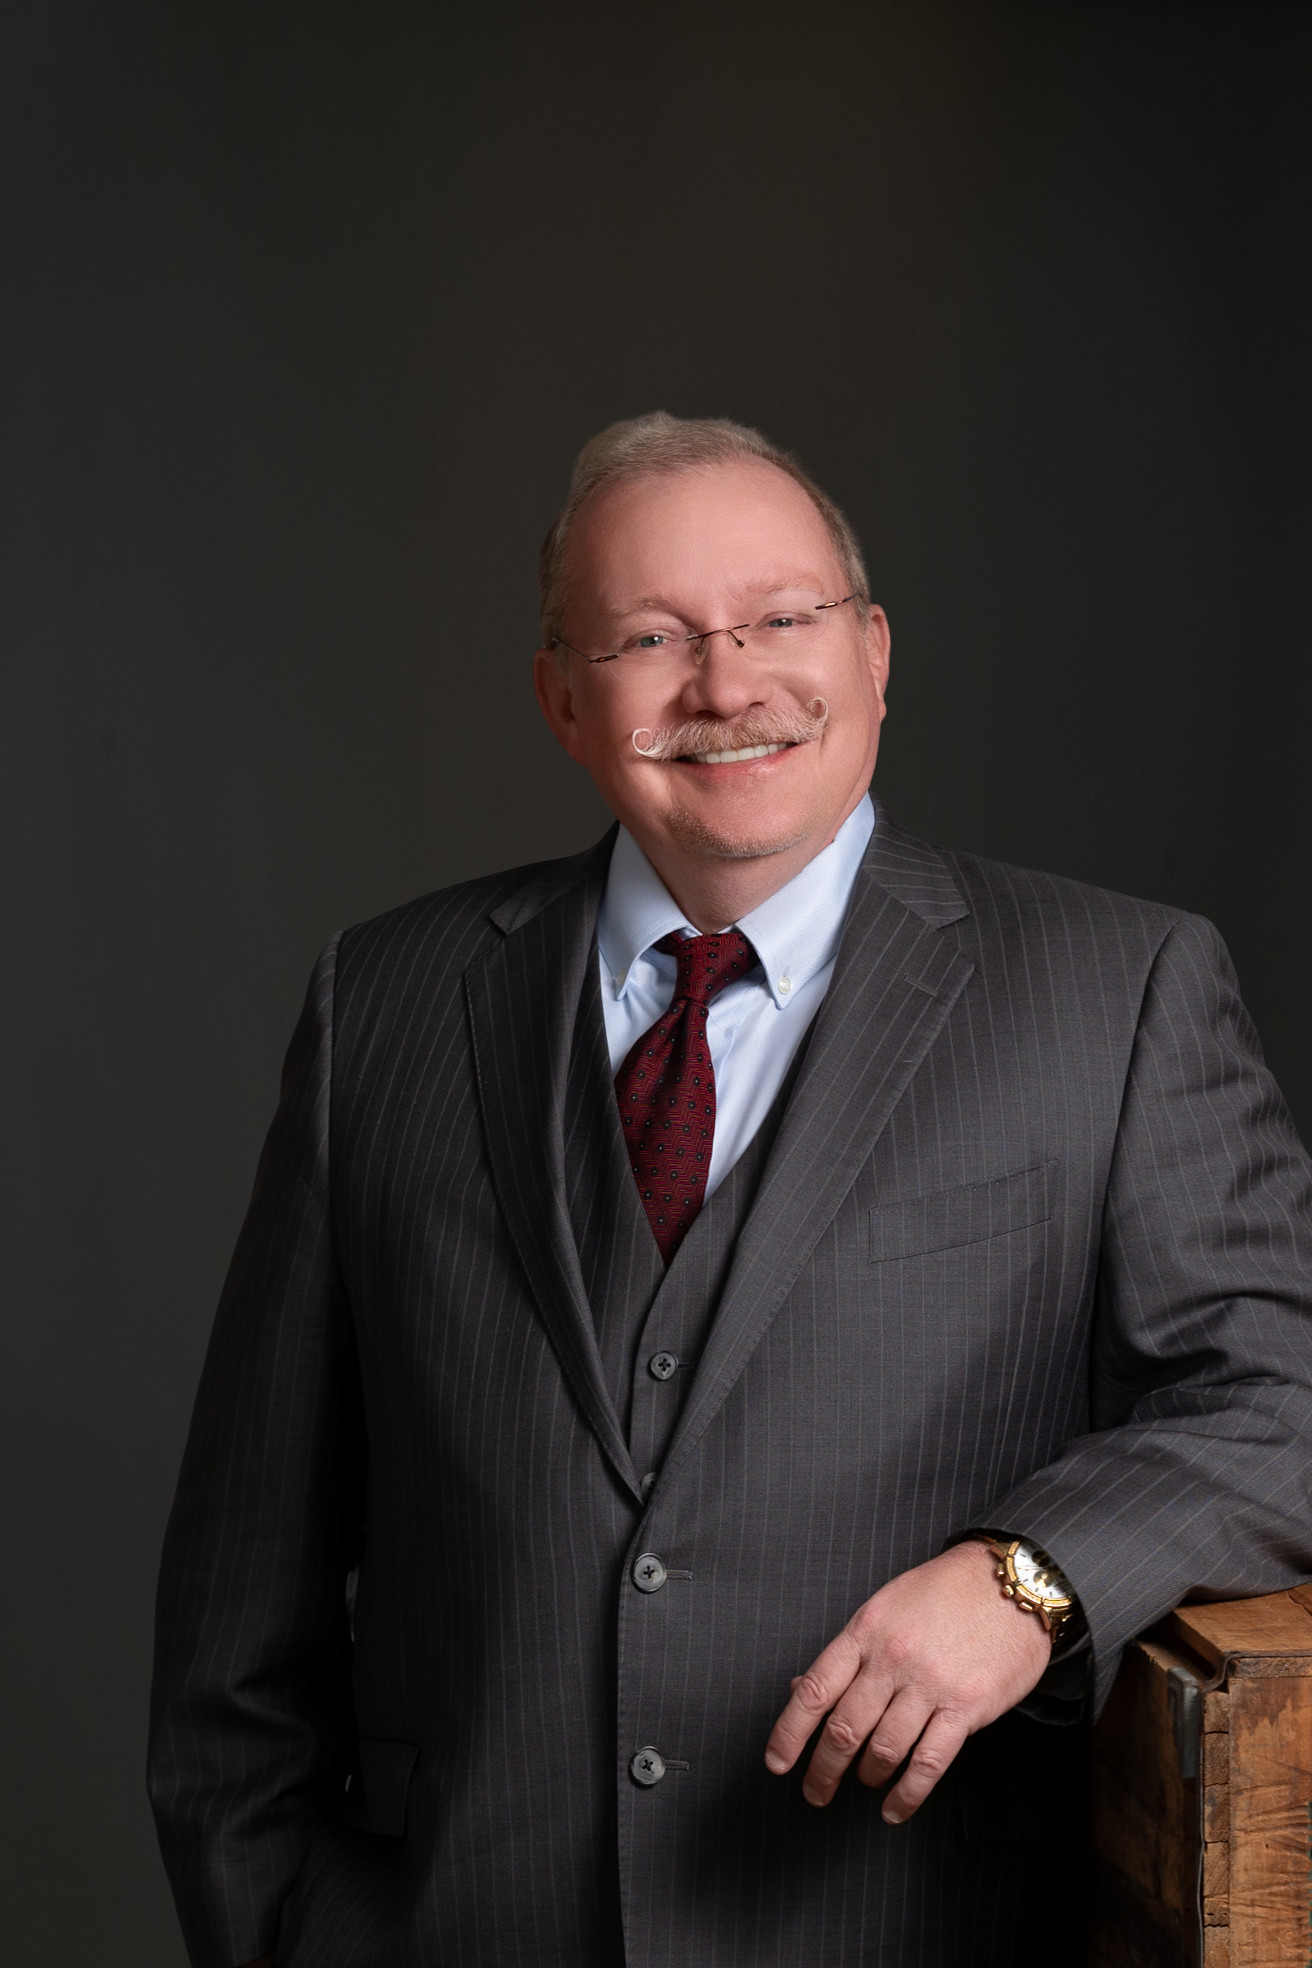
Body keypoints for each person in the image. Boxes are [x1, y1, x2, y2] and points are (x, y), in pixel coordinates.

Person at [149, 413, 1312, 1968]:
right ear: (564, 696)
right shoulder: (388, 1002)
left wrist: (1026, 1580)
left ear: (876, 652)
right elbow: (244, 1594)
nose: (729, 681)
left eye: (782, 617)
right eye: (651, 636)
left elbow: (1283, 1396)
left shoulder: (1119, 989)